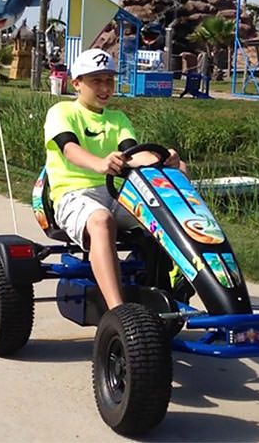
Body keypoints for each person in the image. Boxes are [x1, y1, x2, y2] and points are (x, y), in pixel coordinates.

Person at [44, 48, 187, 310]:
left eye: (109, 80)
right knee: (101, 220)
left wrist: (167, 159)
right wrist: (100, 163)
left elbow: (134, 154)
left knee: (169, 205)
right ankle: (117, 310)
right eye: (96, 80)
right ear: (77, 83)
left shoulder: (118, 118)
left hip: (115, 196)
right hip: (74, 196)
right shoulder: (62, 112)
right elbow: (69, 149)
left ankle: (176, 276)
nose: (105, 87)